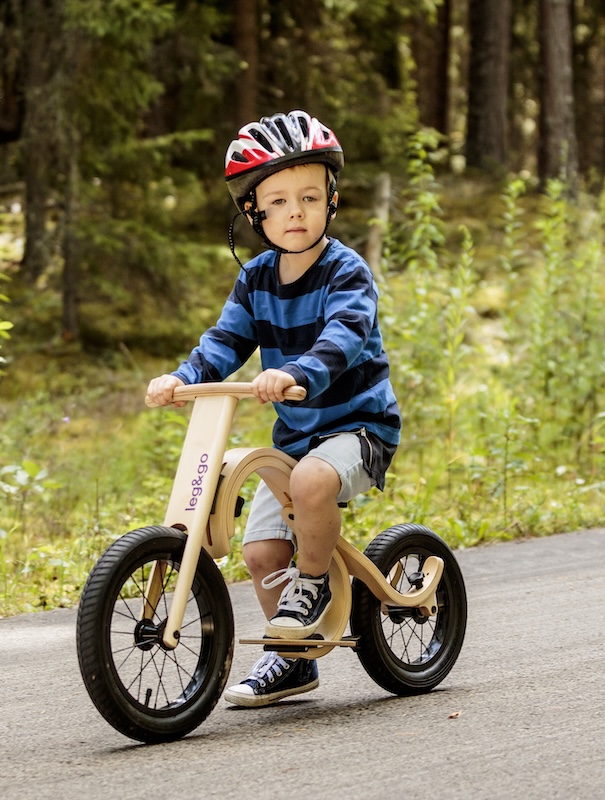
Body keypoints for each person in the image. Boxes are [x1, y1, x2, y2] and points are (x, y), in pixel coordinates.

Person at [146, 110, 400, 707]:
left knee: (313, 481)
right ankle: (293, 661)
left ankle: (309, 584)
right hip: (297, 436)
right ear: (254, 211)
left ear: (332, 202)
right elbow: (226, 341)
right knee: (261, 551)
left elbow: (343, 337)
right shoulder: (256, 277)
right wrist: (182, 378)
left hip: (358, 429)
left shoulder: (347, 271)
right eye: (279, 200)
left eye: (310, 197)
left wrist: (294, 372)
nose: (295, 212)